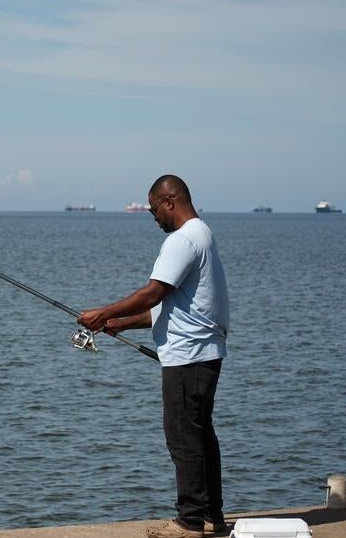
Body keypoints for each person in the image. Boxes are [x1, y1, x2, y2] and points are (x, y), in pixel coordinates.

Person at [77, 174, 229, 538]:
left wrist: (101, 312)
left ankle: (190, 522)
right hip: (202, 353)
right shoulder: (203, 235)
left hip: (188, 357)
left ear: (170, 201)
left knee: (182, 436)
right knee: (199, 433)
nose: (153, 216)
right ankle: (211, 516)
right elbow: (173, 309)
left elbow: (153, 293)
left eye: (154, 209)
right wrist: (118, 323)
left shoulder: (183, 240)